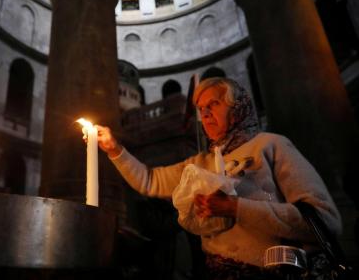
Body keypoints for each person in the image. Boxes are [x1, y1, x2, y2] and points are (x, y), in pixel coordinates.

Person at [92, 77, 341, 279]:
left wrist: (235, 208)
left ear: (237, 108)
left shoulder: (271, 145)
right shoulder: (201, 163)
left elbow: (324, 219)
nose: (206, 114)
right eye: (201, 109)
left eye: (214, 104)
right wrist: (115, 149)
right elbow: (148, 180)